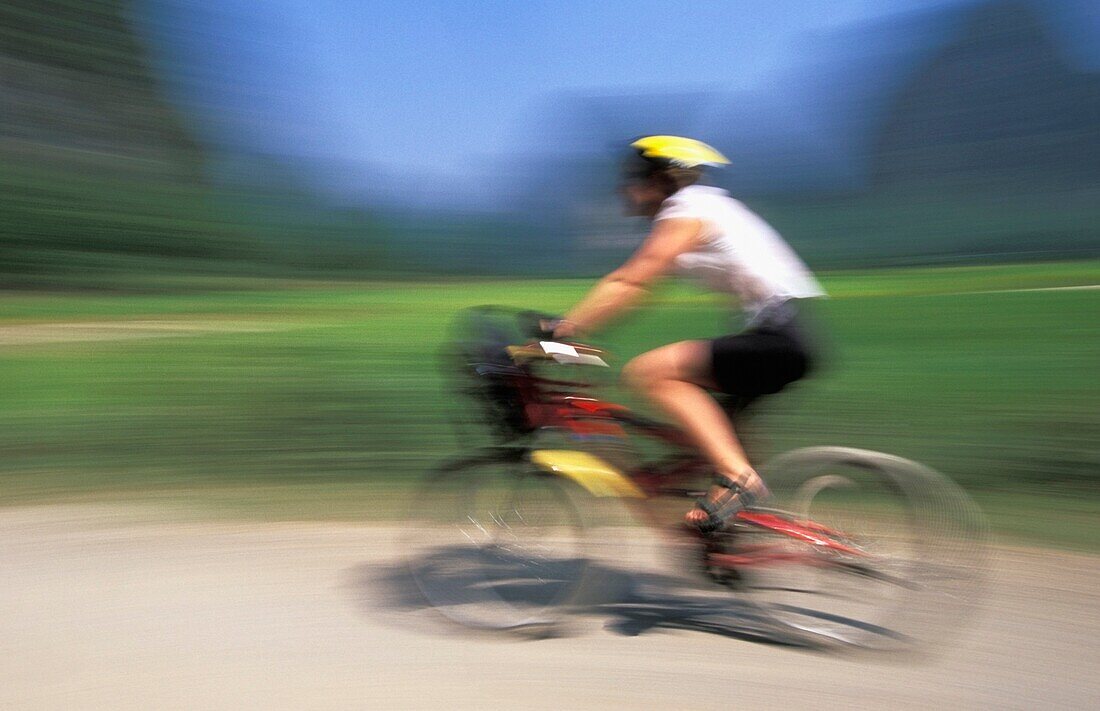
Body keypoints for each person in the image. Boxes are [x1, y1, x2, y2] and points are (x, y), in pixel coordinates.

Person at [552, 135, 825, 533]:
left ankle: (738, 479)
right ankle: (728, 542)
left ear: (659, 180)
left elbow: (633, 282)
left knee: (649, 373)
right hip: (784, 335)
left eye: (631, 178)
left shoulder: (688, 209)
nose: (622, 188)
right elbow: (639, 288)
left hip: (777, 338)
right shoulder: (708, 207)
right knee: (711, 442)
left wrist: (564, 330)